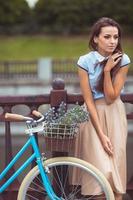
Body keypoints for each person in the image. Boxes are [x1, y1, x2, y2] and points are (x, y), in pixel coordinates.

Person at [74, 17, 131, 200]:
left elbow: (111, 97)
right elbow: (89, 100)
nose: (112, 41)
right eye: (107, 37)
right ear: (96, 38)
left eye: (116, 37)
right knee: (97, 174)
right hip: (92, 118)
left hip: (114, 114)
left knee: (115, 172)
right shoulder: (85, 61)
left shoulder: (123, 60)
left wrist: (107, 71)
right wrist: (101, 134)